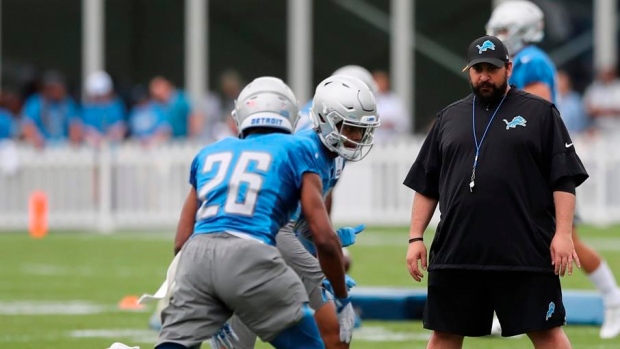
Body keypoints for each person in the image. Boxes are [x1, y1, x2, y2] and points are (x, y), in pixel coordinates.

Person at [404, 35, 588, 349]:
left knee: (547, 333)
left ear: (508, 68)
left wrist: (563, 234)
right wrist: (415, 237)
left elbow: (564, 179)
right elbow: (426, 183)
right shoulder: (449, 118)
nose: (484, 76)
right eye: (477, 69)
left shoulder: (541, 113)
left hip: (525, 253)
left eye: (491, 68)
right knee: (444, 335)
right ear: (468, 71)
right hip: (457, 254)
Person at [153, 77, 354, 349]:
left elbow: (181, 241)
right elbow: (322, 235)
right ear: (292, 117)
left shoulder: (210, 151)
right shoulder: (297, 148)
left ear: (240, 115)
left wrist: (205, 289)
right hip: (250, 255)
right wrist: (340, 297)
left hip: (195, 257)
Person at [486, 0, 620, 339]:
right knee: (513, 236)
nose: (498, 36)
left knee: (567, 239)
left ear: (524, 31)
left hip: (539, 164)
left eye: (504, 31)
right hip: (526, 163)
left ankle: (613, 299)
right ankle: (513, 310)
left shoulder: (532, 60)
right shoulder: (518, 60)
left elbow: (535, 107)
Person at [222, 75, 380, 349]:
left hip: (273, 250)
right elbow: (280, 231)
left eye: (360, 130)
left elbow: (300, 222)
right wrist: (322, 273)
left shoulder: (332, 156)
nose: (356, 138)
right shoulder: (302, 152)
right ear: (326, 119)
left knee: (338, 332)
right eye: (349, 128)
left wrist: (329, 238)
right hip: (245, 255)